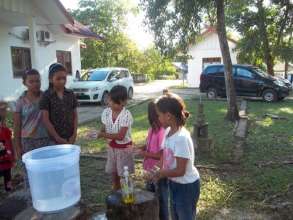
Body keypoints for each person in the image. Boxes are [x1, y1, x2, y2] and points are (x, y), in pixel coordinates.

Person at [153, 93, 200, 220]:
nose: (157, 118)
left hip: (186, 187)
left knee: (185, 216)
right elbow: (164, 155)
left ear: (168, 116)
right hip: (174, 183)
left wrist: (161, 173)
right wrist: (155, 170)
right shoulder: (168, 132)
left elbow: (180, 170)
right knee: (175, 214)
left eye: (158, 115)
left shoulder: (181, 138)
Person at [90, 85, 134, 190]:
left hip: (124, 149)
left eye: (114, 102)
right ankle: (116, 191)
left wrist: (102, 135)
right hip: (111, 148)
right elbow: (104, 128)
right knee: (114, 173)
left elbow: (120, 136)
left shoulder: (126, 115)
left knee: (124, 175)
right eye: (110, 101)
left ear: (123, 102)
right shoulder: (106, 112)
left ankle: (127, 195)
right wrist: (96, 133)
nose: (110, 104)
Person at [137, 101, 169, 220]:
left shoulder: (161, 132)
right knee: (150, 198)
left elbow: (160, 156)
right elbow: (149, 145)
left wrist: (143, 153)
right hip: (149, 171)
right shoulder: (152, 129)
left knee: (161, 201)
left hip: (159, 172)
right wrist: (140, 148)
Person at [14, 69, 51, 157]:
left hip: (46, 140)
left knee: (46, 167)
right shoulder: (20, 101)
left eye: (37, 81)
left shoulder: (46, 97)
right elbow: (17, 126)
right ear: (24, 83)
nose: (35, 84)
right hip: (28, 142)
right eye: (31, 81)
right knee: (32, 168)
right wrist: (18, 147)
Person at [40, 63, 78, 144]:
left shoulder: (70, 94)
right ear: (50, 79)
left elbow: (75, 115)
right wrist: (57, 138)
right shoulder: (46, 96)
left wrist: (74, 134)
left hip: (70, 137)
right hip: (54, 140)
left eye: (64, 78)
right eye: (58, 78)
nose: (62, 81)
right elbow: (45, 120)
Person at [0, 98, 14, 192]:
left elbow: (9, 142)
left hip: (5, 154)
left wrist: (12, 154)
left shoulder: (5, 130)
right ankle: (8, 188)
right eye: (3, 109)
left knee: (7, 171)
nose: (4, 111)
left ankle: (8, 187)